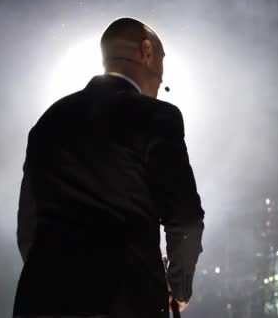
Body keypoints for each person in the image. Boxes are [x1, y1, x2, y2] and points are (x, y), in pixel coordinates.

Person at [13, 17, 205, 318]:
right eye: (162, 63)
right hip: (124, 300)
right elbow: (185, 218)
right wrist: (178, 288)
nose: (161, 78)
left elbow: (28, 226)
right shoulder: (156, 117)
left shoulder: (49, 120)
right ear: (146, 52)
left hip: (41, 301)